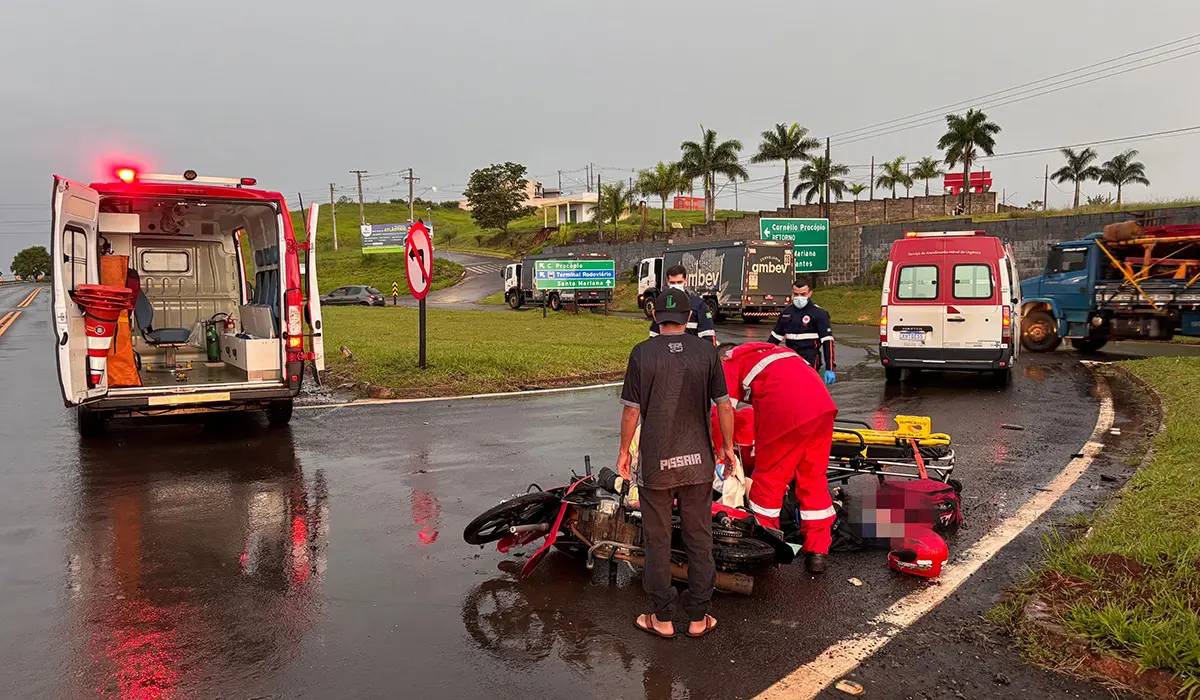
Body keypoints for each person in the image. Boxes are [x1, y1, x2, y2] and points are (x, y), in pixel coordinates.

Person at [618, 287, 736, 639]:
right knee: (699, 538)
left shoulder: (642, 353)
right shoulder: (707, 352)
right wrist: (727, 448)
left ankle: (663, 619)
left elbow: (631, 410)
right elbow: (725, 405)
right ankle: (699, 618)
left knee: (658, 540)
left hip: (656, 464)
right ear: (688, 318)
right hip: (698, 461)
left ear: (656, 316)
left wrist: (625, 451)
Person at [719, 341, 838, 573]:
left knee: (768, 482)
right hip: (823, 409)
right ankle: (818, 552)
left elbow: (722, 411)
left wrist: (720, 449)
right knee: (813, 480)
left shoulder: (729, 363)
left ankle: (767, 546)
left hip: (786, 414)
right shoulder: (779, 352)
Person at [769, 278, 836, 385]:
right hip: (790, 357)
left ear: (810, 294)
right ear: (792, 294)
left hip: (810, 358)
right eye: (796, 294)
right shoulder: (786, 313)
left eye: (803, 294)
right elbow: (774, 339)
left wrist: (830, 368)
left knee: (806, 387)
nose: (799, 297)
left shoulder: (819, 314)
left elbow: (828, 341)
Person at [650, 264, 717, 346]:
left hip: (692, 355)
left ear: (686, 281)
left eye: (679, 282)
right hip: (666, 355)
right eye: (672, 282)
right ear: (667, 282)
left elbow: (708, 338)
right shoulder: (661, 303)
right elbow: (653, 337)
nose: (676, 285)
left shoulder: (698, 305)